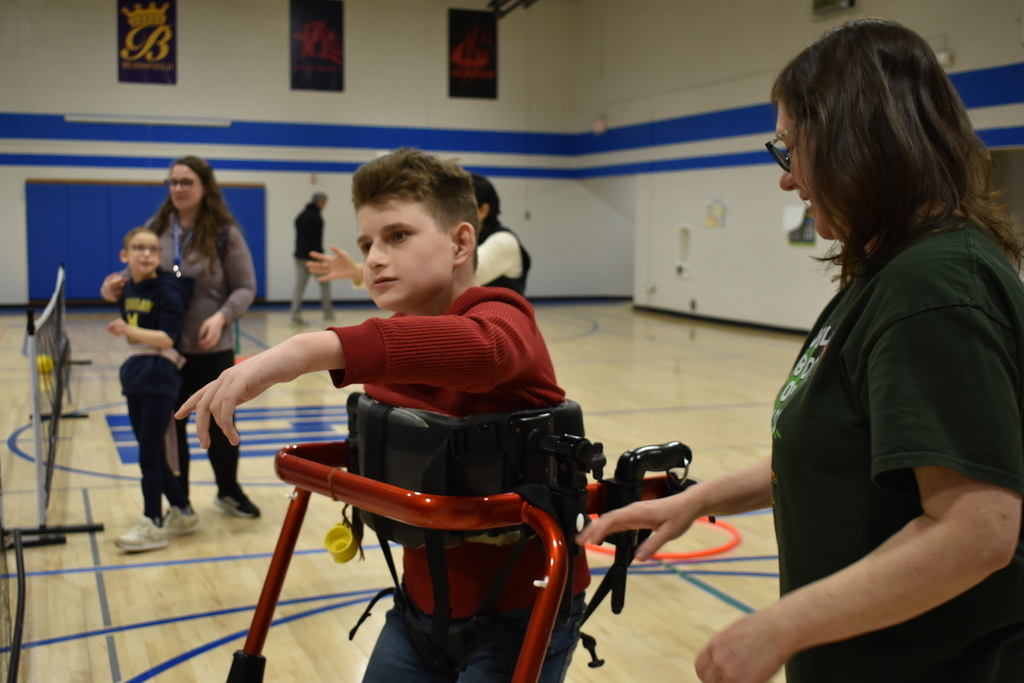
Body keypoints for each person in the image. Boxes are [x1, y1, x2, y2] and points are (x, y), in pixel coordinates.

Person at [578, 19, 1024, 683]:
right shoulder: (892, 273)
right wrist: (695, 500)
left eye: (791, 148)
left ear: (856, 142)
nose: (787, 179)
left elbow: (977, 529)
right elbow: (841, 450)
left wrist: (781, 625)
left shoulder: (935, 286)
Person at [176, 148, 589, 682]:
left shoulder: (503, 317)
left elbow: (481, 353)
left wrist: (304, 351)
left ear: (462, 242)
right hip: (418, 607)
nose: (372, 257)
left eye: (397, 236)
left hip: (524, 612)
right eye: (367, 242)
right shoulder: (394, 337)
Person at [101, 156, 260, 519]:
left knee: (219, 424)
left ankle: (228, 491)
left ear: (205, 187)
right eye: (173, 182)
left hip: (211, 350)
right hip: (165, 353)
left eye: (186, 181)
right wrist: (113, 287)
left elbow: (246, 287)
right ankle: (180, 502)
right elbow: (136, 275)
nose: (178, 188)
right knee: (172, 431)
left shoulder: (224, 233)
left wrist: (221, 317)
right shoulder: (155, 228)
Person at [108, 227, 199, 552]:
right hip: (135, 373)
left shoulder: (167, 290)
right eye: (138, 248)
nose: (145, 254)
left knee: (148, 453)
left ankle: (152, 521)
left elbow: (168, 338)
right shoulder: (127, 286)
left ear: (159, 257)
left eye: (151, 249)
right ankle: (184, 511)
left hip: (160, 374)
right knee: (151, 453)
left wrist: (128, 329)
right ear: (125, 255)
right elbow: (113, 290)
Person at [304, 172, 531, 295]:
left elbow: (458, 276)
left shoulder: (505, 242)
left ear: (482, 210)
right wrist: (358, 272)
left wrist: (359, 270)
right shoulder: (451, 241)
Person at [290, 192, 334, 325]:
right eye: (324, 202)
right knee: (325, 284)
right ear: (319, 202)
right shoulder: (317, 218)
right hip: (314, 257)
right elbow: (316, 240)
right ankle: (328, 314)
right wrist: (320, 256)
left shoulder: (300, 216)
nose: (324, 205)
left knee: (299, 287)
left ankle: (295, 314)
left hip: (300, 257)